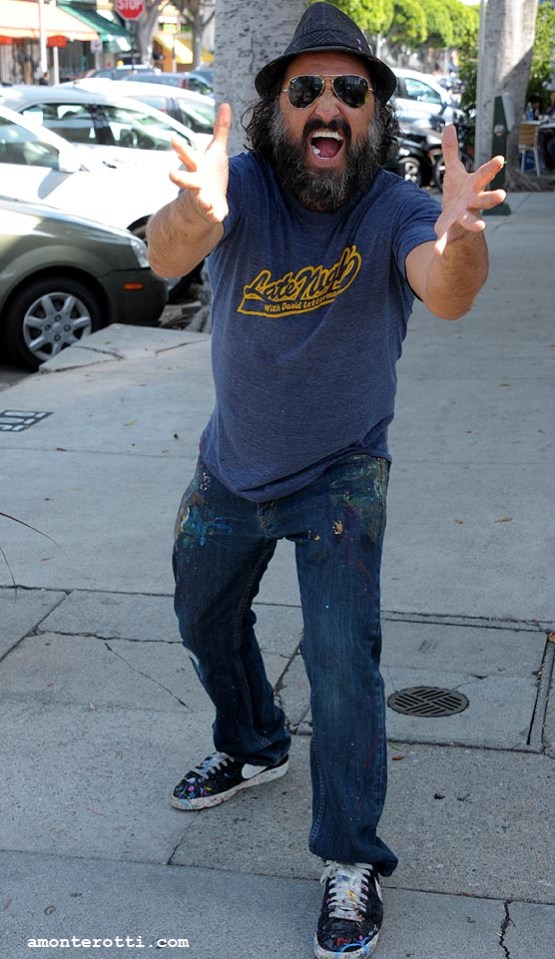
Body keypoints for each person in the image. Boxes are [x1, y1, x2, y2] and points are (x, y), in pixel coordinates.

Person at [147, 4, 505, 957]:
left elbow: (447, 290)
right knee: (201, 617)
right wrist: (194, 213)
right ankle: (253, 742)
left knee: (344, 664)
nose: (328, 105)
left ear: (372, 114)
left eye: (350, 90)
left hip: (342, 473)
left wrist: (461, 234)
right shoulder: (241, 188)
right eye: (306, 89)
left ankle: (350, 857)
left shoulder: (394, 207)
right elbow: (168, 252)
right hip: (231, 464)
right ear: (279, 110)